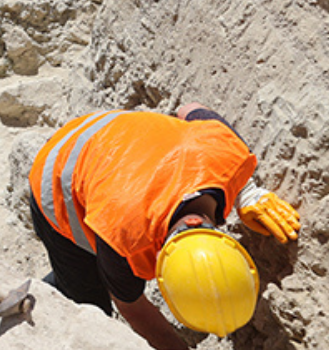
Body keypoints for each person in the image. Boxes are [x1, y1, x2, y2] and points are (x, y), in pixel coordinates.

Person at [29, 102, 300, 349]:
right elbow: (132, 306)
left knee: (97, 275)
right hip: (58, 170)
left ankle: (54, 283)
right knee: (91, 306)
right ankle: (48, 299)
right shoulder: (124, 239)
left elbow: (189, 108)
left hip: (115, 137)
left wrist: (246, 190)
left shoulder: (227, 150)